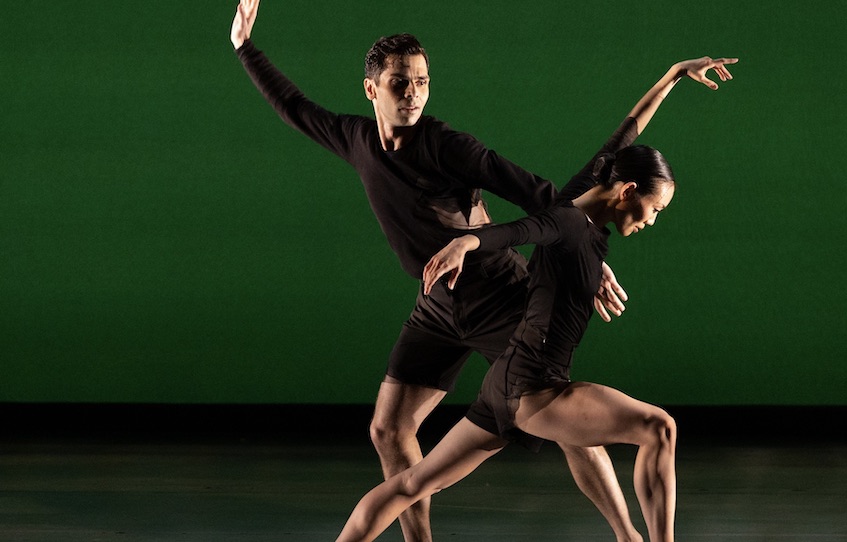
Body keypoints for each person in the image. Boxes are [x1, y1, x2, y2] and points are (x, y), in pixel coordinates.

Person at [229, 1, 647, 540]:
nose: (413, 94)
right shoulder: (356, 139)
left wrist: (583, 251)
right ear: (371, 90)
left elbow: (539, 194)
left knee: (557, 418)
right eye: (400, 83)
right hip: (437, 305)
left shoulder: (448, 146)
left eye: (422, 83)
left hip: (501, 296)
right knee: (389, 427)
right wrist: (244, 45)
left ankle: (627, 535)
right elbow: (294, 106)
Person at [333, 55, 737, 542]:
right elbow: (519, 229)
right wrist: (468, 241)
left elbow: (622, 136)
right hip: (535, 390)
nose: (653, 219)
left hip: (505, 387)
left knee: (411, 485)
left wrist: (672, 76)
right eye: (655, 208)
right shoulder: (566, 221)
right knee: (659, 428)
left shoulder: (579, 204)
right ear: (628, 191)